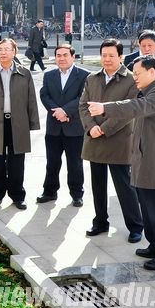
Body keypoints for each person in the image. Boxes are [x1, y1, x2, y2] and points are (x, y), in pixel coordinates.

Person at [87, 55, 155, 271]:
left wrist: (105, 108)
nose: (134, 77)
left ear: (151, 71)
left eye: (137, 74)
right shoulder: (152, 91)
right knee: (148, 209)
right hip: (144, 159)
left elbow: (136, 107)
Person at [79, 39, 144, 243]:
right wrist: (92, 127)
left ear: (121, 57)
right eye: (104, 55)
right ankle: (100, 222)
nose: (107, 59)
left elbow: (129, 111)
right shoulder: (92, 78)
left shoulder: (131, 79)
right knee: (98, 185)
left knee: (124, 186)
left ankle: (135, 226)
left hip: (119, 140)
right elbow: (83, 106)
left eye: (111, 56)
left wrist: (104, 129)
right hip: (94, 138)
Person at [0, 38, 40, 209]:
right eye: (0, 49)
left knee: (17, 161)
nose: (3, 52)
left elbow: (31, 99)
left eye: (7, 49)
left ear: (14, 52)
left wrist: (33, 123)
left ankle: (17, 195)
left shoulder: (24, 73)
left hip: (18, 123)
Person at [38, 44, 89, 207]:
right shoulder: (49, 75)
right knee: (52, 162)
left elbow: (83, 98)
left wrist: (65, 111)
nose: (61, 58)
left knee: (75, 163)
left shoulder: (84, 75)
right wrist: (57, 112)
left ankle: (77, 194)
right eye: (58, 55)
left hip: (74, 127)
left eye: (65, 55)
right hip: (54, 127)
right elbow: (44, 95)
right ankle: (49, 192)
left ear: (73, 57)